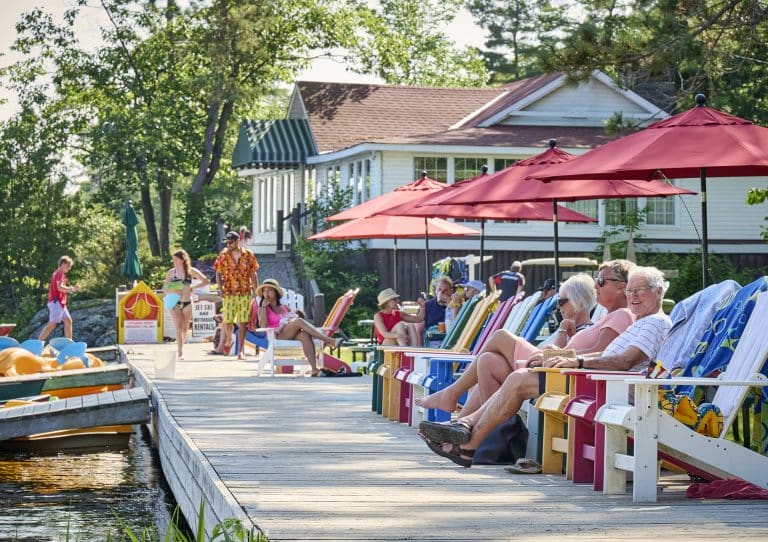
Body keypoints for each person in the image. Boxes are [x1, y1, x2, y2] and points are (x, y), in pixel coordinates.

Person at [419, 265, 672, 468]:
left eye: (641, 291)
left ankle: (467, 443)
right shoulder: (640, 322)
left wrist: (576, 360)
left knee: (518, 378)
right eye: (631, 291)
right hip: (590, 378)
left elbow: (625, 361)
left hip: (600, 384)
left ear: (659, 291)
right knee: (506, 370)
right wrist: (569, 355)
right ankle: (464, 428)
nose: (633, 297)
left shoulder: (655, 323)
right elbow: (608, 353)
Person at [415, 261, 634, 415]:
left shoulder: (621, 315)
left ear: (621, 287)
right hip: (552, 366)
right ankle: (463, 427)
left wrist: (566, 355)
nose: (596, 285)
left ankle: (452, 394)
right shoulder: (607, 317)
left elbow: (603, 354)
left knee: (500, 336)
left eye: (601, 281)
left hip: (559, 371)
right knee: (487, 361)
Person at [256, 278, 340, 377]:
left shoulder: (284, 308)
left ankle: (314, 370)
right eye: (264, 291)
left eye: (269, 290)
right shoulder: (262, 308)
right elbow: (262, 325)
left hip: (290, 333)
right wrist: (263, 307)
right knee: (298, 322)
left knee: (304, 335)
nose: (266, 293)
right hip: (277, 335)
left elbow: (293, 317)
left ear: (276, 292)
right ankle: (329, 340)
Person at [213, 230, 260, 360]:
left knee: (243, 322)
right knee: (227, 320)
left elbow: (253, 273)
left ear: (238, 241)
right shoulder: (223, 255)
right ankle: (229, 339)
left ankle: (240, 350)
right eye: (227, 242)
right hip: (229, 292)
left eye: (231, 242)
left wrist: (257, 290)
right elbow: (218, 272)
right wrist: (220, 288)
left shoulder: (248, 254)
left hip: (245, 291)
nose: (228, 245)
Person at [162, 249, 210, 360]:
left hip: (187, 302)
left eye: (176, 259)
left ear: (183, 260)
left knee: (184, 328)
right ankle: (180, 351)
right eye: (173, 259)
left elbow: (206, 281)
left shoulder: (190, 271)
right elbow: (164, 288)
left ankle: (181, 345)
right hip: (175, 302)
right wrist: (173, 289)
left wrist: (193, 287)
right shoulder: (171, 272)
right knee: (178, 327)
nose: (174, 261)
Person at [38, 256, 82, 341]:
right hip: (56, 303)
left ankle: (69, 343)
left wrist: (69, 289)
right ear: (63, 264)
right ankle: (38, 342)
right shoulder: (59, 273)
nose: (69, 268)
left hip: (60, 303)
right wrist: (72, 289)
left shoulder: (58, 273)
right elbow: (60, 288)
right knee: (52, 324)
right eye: (68, 266)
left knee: (68, 321)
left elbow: (60, 288)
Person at [415, 276, 454, 340]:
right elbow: (418, 329)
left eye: (445, 290)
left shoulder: (455, 306)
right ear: (435, 291)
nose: (442, 293)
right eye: (439, 290)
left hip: (449, 340)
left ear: (451, 291)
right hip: (431, 341)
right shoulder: (427, 306)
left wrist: (450, 306)